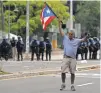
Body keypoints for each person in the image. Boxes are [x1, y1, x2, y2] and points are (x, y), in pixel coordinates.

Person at [58, 19, 88, 91]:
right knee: (63, 71)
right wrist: (59, 24)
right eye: (69, 34)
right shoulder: (65, 38)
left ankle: (72, 85)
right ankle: (63, 84)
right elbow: (61, 31)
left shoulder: (76, 40)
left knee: (72, 72)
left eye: (71, 34)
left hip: (73, 58)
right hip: (65, 58)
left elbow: (83, 40)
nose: (70, 35)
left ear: (73, 35)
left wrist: (86, 36)